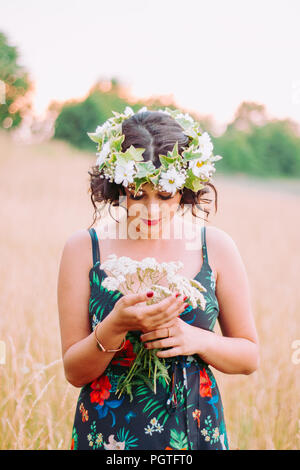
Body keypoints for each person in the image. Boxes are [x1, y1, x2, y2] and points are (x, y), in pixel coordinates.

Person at [57, 106, 259, 450]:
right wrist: (115, 326)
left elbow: (249, 357)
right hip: (108, 434)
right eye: (137, 195)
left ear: (185, 188)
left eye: (164, 195)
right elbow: (74, 372)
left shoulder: (216, 247)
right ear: (117, 186)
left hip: (195, 433)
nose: (150, 210)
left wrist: (194, 339)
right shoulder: (82, 249)